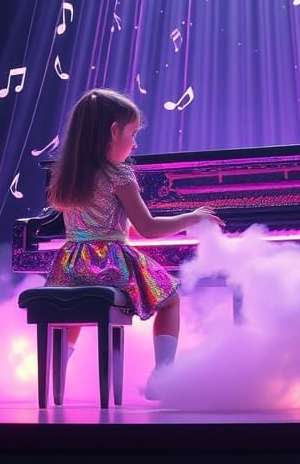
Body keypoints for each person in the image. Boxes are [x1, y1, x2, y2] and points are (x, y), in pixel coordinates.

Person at [45, 87, 222, 399]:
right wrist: (191, 217)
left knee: (71, 307)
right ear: (114, 132)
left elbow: (102, 223)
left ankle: (56, 373)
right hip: (109, 263)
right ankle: (162, 375)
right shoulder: (119, 175)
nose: (135, 142)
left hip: (70, 264)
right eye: (133, 133)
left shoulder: (67, 174)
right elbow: (149, 227)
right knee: (169, 298)